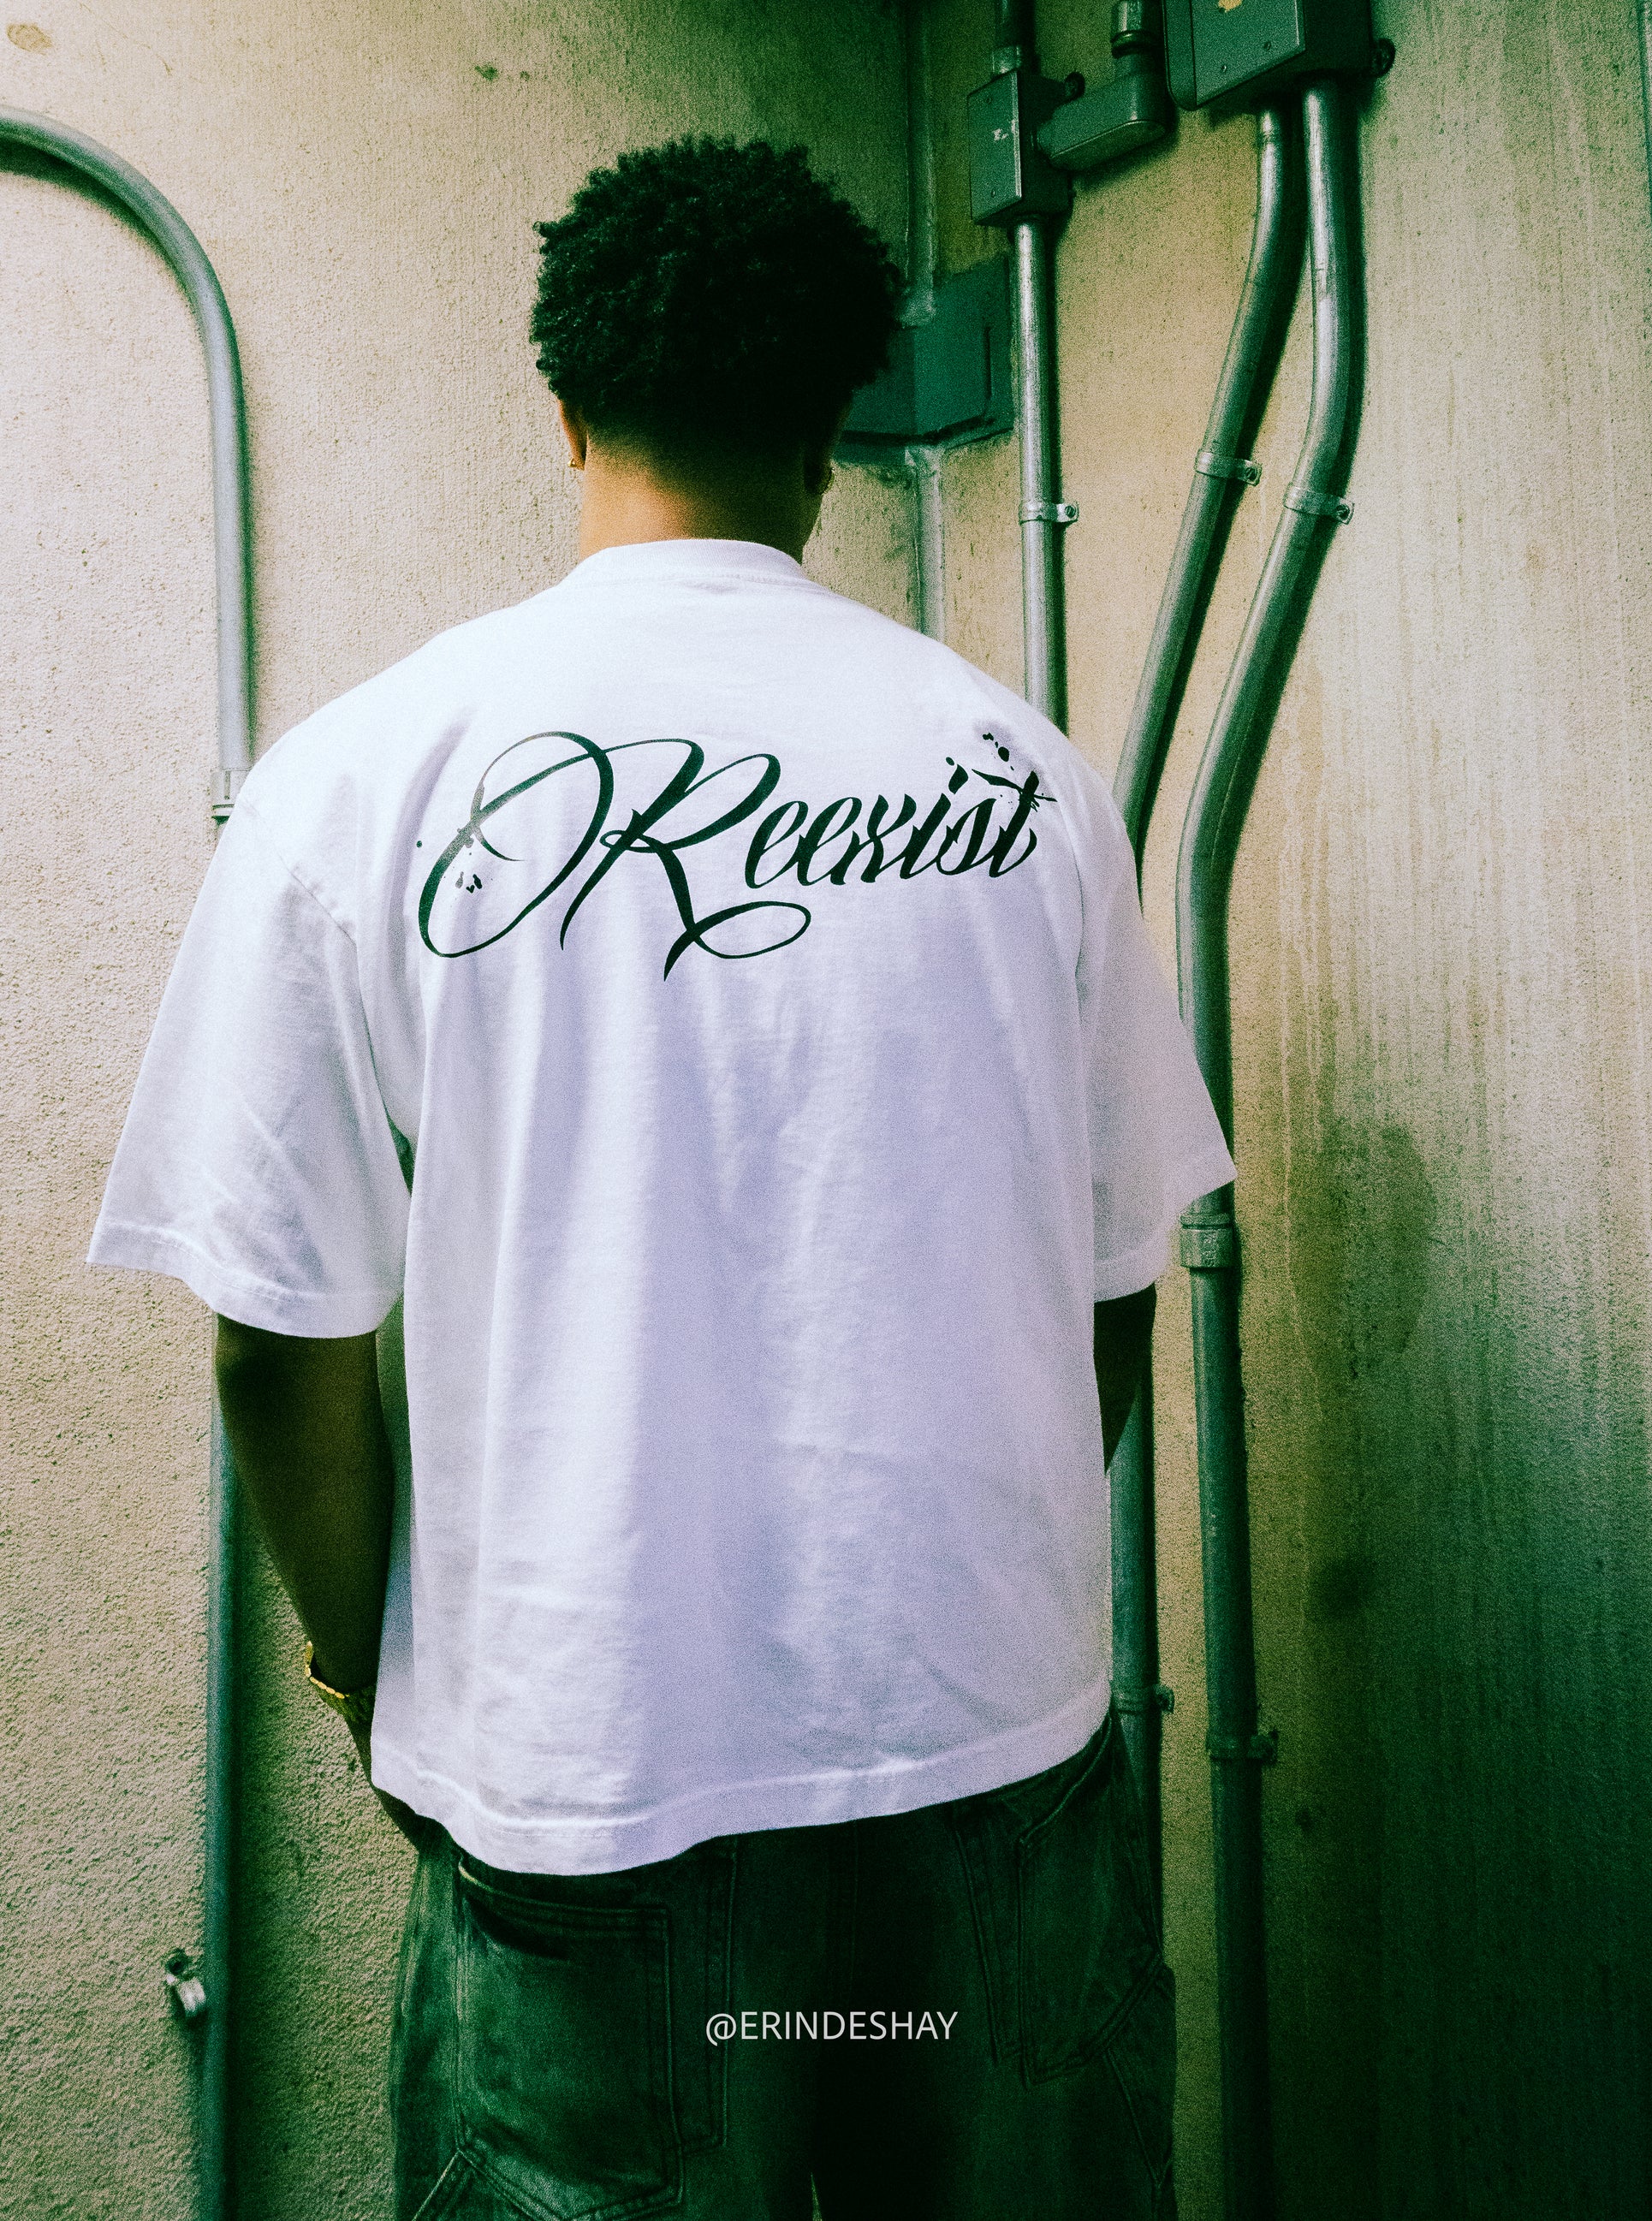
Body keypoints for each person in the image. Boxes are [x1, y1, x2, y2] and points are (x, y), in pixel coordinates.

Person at [90, 135, 1232, 2220]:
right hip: (988, 1753)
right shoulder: (1025, 776)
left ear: (562, 404)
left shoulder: (362, 775)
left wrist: (370, 1668)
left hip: (580, 1762)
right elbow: (1112, 1272)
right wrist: (947, 1594)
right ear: (834, 423)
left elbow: (278, 1337)